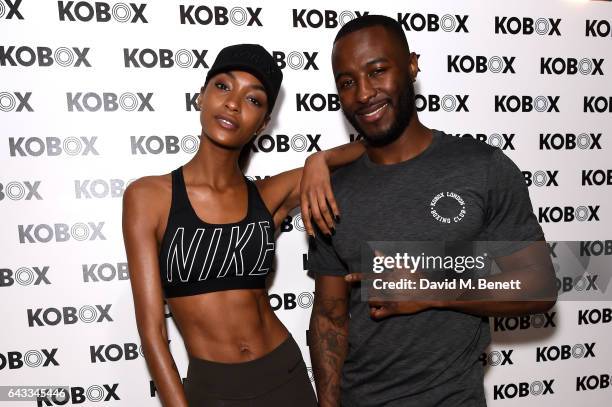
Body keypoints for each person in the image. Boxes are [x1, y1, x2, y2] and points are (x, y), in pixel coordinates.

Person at [308, 15, 557, 407]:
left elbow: (539, 285)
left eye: (377, 71)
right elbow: (328, 316)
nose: (363, 93)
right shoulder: (330, 191)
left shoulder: (482, 167)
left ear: (411, 66)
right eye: (347, 82)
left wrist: (429, 287)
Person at [122, 44, 363, 407]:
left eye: (253, 100)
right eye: (223, 86)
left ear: (263, 125)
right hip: (214, 390)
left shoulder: (267, 195)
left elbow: (373, 150)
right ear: (200, 96)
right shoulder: (148, 196)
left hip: (286, 377)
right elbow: (153, 332)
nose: (233, 103)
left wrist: (319, 160)